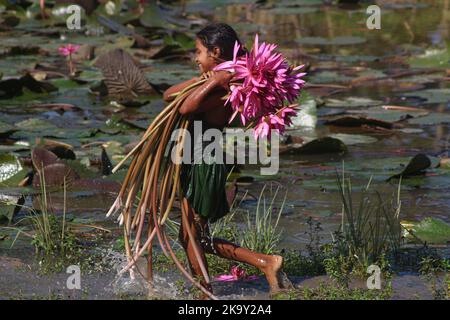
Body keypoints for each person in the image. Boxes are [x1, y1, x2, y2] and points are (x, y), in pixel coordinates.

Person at [163, 23, 284, 298]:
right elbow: (168, 94)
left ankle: (206, 292)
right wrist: (208, 79)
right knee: (191, 235)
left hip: (204, 158)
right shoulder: (217, 79)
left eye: (198, 51)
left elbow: (184, 106)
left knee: (192, 234)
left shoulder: (228, 85)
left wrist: (215, 81)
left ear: (215, 51)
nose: (196, 58)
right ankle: (264, 263)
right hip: (196, 157)